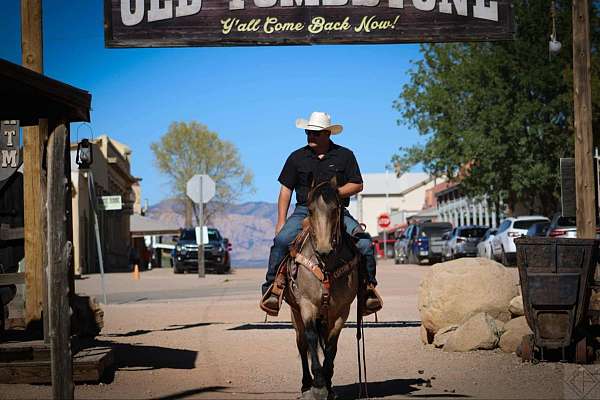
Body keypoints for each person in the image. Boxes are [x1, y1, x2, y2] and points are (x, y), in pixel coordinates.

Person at [260, 111, 382, 316]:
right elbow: (285, 191)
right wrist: (281, 221)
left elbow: (358, 184)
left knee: (365, 244)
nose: (310, 136)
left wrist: (335, 193)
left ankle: (367, 290)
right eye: (308, 132)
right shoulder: (297, 157)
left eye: (315, 133)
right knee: (281, 241)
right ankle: (274, 288)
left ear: (327, 133)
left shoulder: (345, 155)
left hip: (336, 211)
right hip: (303, 211)